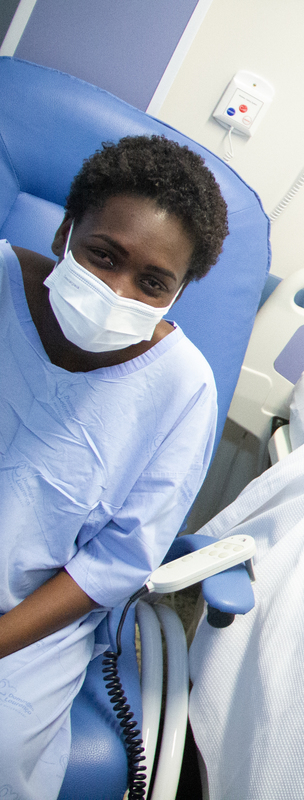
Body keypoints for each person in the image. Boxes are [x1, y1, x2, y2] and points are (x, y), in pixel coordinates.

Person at [0, 135, 229, 798]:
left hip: (29, 619)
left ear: (178, 293)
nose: (116, 290)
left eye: (152, 283)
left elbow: (116, 560)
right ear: (67, 229)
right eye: (103, 255)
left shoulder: (182, 392)